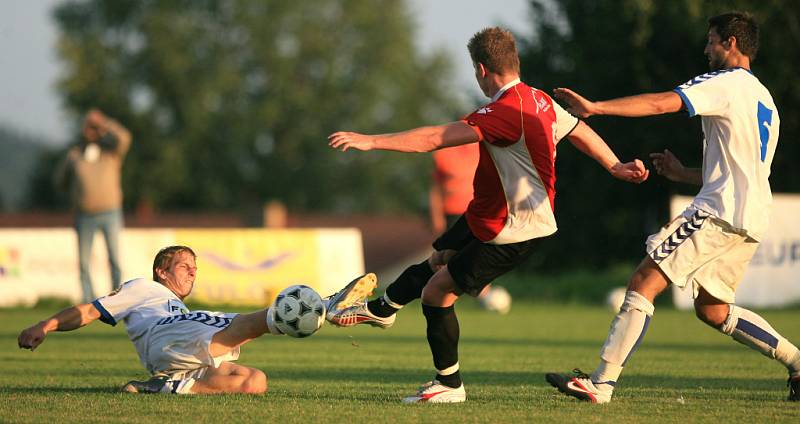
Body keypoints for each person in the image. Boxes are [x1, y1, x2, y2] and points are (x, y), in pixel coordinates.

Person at [324, 27, 649, 403]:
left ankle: (448, 385)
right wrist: (615, 166)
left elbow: (433, 138)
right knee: (438, 259)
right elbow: (579, 129)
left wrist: (372, 140)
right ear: (515, 62)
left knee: (436, 295)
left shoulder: (504, 111)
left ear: (481, 70)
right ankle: (382, 310)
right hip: (491, 213)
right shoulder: (539, 100)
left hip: (515, 229)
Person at [545, 12, 800, 403]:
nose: (705, 49)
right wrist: (683, 174)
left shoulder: (724, 82)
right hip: (751, 215)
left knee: (645, 280)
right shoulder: (765, 99)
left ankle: (602, 383)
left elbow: (662, 103)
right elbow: (740, 170)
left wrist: (596, 108)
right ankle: (797, 362)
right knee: (713, 310)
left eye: (711, 40)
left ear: (731, 43)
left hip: (718, 210)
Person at [16, 245, 359, 394]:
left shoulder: (180, 306)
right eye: (185, 266)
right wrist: (44, 325)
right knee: (248, 324)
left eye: (195, 268)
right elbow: (89, 311)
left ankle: (166, 386)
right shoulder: (143, 288)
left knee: (255, 381)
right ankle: (323, 306)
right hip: (164, 336)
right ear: (161, 271)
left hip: (183, 343)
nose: (192, 272)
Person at [55, 108, 132, 303]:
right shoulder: (75, 155)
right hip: (84, 214)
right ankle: (88, 301)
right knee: (83, 262)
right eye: (88, 127)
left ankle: (116, 299)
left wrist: (104, 123)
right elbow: (60, 181)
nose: (91, 131)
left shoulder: (111, 153)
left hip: (110, 212)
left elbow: (125, 137)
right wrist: (75, 195)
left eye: (93, 128)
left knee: (114, 259)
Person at [430, 143, 512, 314]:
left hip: (479, 212)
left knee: (477, 254)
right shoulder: (446, 153)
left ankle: (483, 294)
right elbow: (436, 187)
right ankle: (445, 297)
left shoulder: (485, 147)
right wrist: (436, 216)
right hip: (452, 213)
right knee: (449, 258)